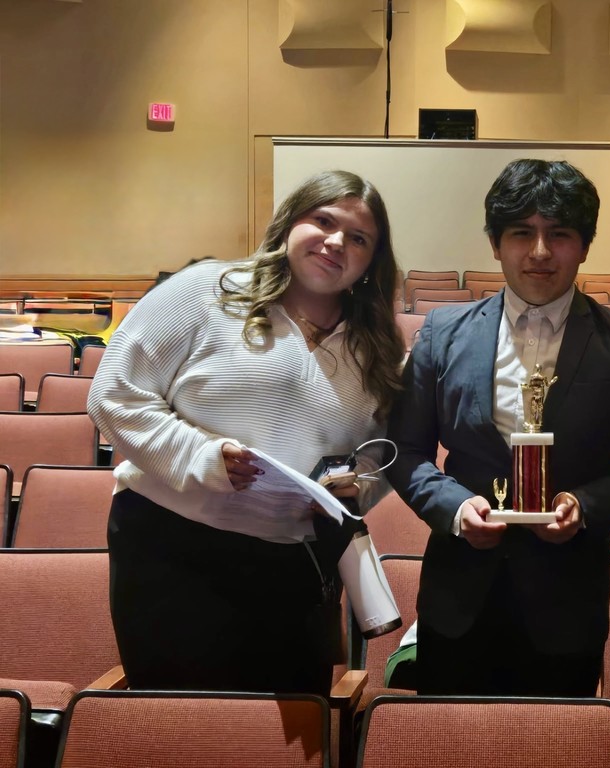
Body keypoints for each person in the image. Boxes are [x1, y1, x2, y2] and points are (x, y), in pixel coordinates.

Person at [87, 169, 405, 696]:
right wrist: (203, 457)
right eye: (322, 221)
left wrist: (359, 487)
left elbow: (386, 450)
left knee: (287, 731)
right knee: (186, 723)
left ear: (373, 260)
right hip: (174, 550)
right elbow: (114, 395)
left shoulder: (376, 343)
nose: (335, 243)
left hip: (297, 566)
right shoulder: (206, 290)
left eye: (358, 238)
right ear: (288, 224)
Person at [386, 158, 610, 696]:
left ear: (585, 245)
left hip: (567, 601)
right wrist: (452, 506)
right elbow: (405, 452)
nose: (541, 252)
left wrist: (586, 506)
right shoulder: (442, 333)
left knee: (559, 746)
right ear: (497, 243)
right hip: (458, 596)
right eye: (522, 233)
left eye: (559, 234)